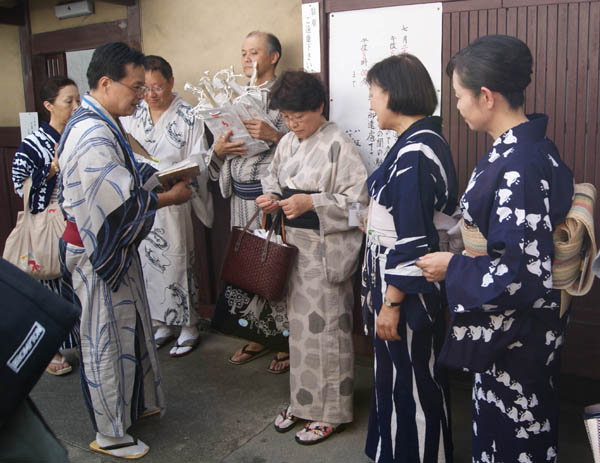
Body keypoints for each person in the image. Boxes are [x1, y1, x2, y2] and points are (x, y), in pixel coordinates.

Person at [416, 35, 574, 463]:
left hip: (520, 330)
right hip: (526, 327)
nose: (458, 107)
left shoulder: (519, 163)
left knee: (514, 438)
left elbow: (520, 274)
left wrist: (453, 267)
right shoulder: (532, 147)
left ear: (486, 96)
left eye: (459, 97)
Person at [58, 42, 193, 459]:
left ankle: (131, 407)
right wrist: (169, 197)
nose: (140, 95)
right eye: (135, 87)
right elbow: (116, 203)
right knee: (104, 340)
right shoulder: (91, 131)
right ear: (104, 82)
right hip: (98, 251)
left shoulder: (103, 120)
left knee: (126, 330)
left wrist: (160, 176)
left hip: (113, 246)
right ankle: (111, 433)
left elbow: (130, 175)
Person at [257, 71, 368, 444]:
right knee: (300, 335)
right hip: (293, 250)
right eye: (286, 117)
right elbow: (271, 179)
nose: (292, 124)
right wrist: (271, 199)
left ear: (319, 107)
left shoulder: (340, 145)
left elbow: (359, 208)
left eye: (298, 115)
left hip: (325, 253)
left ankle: (332, 411)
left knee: (329, 333)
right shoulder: (287, 143)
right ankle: (303, 402)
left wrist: (314, 202)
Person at [361, 54, 457, 462]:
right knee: (403, 378)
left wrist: (392, 303)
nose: (371, 104)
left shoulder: (415, 153)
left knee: (412, 382)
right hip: (405, 283)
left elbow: (414, 238)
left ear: (394, 94)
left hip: (408, 290)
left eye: (374, 94)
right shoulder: (419, 142)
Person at [121, 55, 213, 358]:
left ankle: (189, 325)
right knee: (147, 264)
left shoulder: (189, 115)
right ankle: (161, 323)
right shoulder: (134, 114)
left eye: (157, 87)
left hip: (175, 198)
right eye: (144, 88)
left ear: (171, 82)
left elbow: (199, 157)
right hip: (145, 200)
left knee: (177, 260)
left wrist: (183, 175)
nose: (151, 94)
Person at [209, 31, 290, 373]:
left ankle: (284, 340)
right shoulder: (236, 95)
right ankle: (258, 334)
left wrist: (275, 136)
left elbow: (304, 144)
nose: (246, 59)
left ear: (273, 57)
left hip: (270, 197)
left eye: (254, 53)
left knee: (273, 263)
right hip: (240, 196)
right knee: (247, 266)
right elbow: (220, 144)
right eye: (243, 53)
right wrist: (220, 148)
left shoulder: (287, 95)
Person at [12, 76, 80, 377]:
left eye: (79, 100)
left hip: (79, 218)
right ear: (49, 105)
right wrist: (51, 169)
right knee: (50, 285)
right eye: (69, 101)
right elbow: (21, 187)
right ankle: (50, 348)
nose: (76, 106)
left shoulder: (80, 134)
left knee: (80, 284)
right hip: (50, 222)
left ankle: (87, 344)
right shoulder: (33, 144)